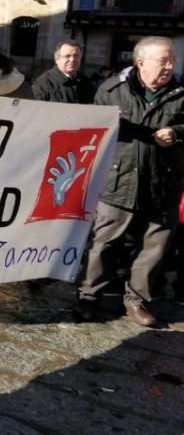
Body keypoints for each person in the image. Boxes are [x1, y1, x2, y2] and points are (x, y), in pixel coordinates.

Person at [75, 36, 184, 327]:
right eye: (163, 60)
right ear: (140, 62)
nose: (170, 66)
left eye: (172, 60)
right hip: (117, 182)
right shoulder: (111, 90)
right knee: (104, 244)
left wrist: (178, 134)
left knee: (154, 248)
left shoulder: (182, 92)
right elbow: (91, 130)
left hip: (163, 184)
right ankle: (89, 296)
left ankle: (136, 301)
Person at [32, 40, 94, 104]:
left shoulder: (86, 82)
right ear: (57, 59)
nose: (72, 59)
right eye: (67, 56)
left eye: (76, 55)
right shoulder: (43, 84)